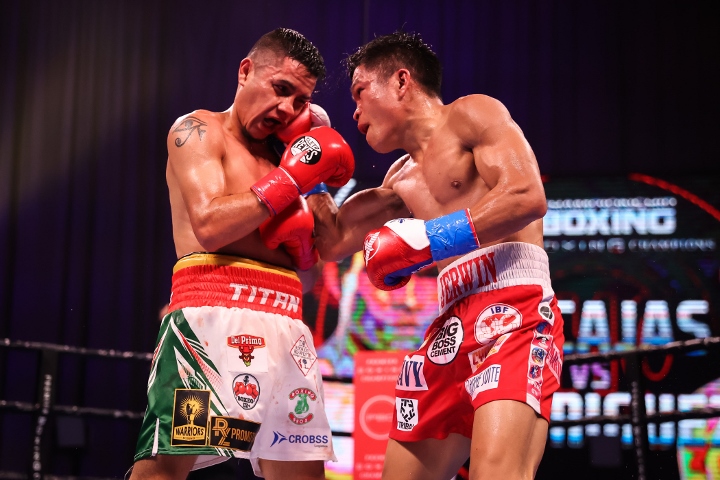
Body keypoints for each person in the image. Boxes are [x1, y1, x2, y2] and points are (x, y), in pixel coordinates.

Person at [307, 31, 564, 480]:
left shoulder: (471, 114)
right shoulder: (399, 179)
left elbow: (526, 195)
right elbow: (332, 241)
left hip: (515, 308)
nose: (355, 111)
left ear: (401, 82)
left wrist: (431, 239)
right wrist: (307, 162)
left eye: (361, 92)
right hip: (449, 326)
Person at [130, 28, 354, 480]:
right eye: (281, 89)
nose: (288, 109)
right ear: (246, 71)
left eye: (300, 100)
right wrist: (290, 180)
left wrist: (318, 175)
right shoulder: (196, 131)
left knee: (301, 475)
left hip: (287, 327)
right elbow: (210, 227)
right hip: (210, 324)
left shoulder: (290, 153)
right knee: (163, 473)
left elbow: (318, 259)